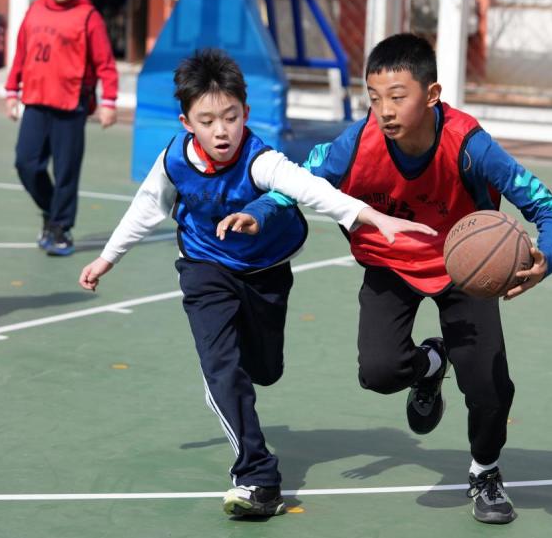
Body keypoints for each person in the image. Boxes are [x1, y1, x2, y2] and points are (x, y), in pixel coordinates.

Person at [78, 48, 435, 518]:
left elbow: (311, 188)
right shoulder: (174, 160)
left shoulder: (260, 160)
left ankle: (247, 388)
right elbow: (148, 206)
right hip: (204, 267)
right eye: (207, 121)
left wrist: (372, 218)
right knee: (221, 368)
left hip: (265, 271)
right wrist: (108, 257)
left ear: (246, 112)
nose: (221, 131)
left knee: (264, 370)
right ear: (187, 123)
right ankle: (257, 476)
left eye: (230, 117)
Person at [241, 33, 552, 524]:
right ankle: (431, 363)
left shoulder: (470, 146)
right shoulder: (356, 144)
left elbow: (548, 207)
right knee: (378, 373)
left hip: (464, 270)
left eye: (398, 97)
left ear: (432, 94)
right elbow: (298, 181)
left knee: (488, 384)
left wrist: (548, 256)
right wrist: (260, 211)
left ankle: (484, 472)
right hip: (389, 261)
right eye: (374, 99)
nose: (385, 111)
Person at [4, 0, 119, 257]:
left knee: (66, 171)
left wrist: (109, 101)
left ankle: (60, 228)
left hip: (71, 105)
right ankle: (51, 210)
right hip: (35, 101)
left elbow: (105, 63)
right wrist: (12, 90)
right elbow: (21, 53)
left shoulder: (88, 17)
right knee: (26, 163)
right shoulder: (34, 11)